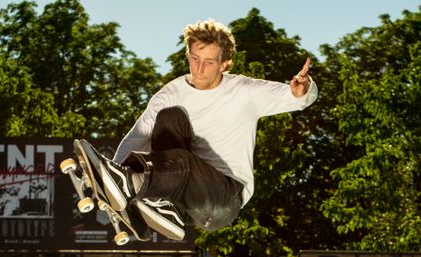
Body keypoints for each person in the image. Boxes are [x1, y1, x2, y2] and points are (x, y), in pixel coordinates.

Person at [95, 19, 317, 239]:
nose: (199, 69)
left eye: (209, 62)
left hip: (223, 200)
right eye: (194, 59)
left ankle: (135, 184)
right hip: (183, 192)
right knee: (171, 116)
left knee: (182, 161)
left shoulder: (244, 92)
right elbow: (138, 137)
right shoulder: (171, 93)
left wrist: (302, 90)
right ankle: (160, 205)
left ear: (224, 64)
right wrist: (111, 178)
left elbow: (295, 98)